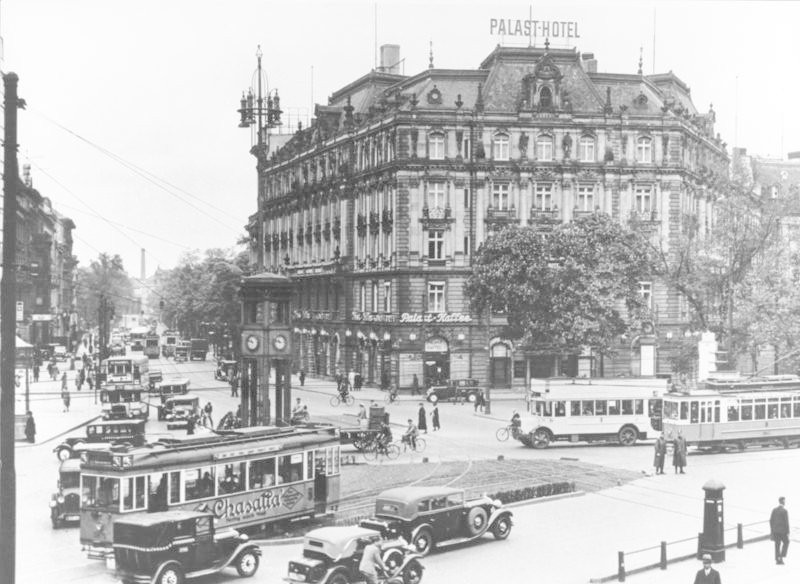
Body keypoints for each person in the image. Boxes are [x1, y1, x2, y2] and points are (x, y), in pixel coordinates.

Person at [770, 496, 790, 565]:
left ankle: (777, 559)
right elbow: (786, 522)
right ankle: (781, 556)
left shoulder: (774, 510)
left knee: (777, 545)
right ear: (783, 502)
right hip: (783, 532)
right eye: (784, 501)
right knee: (786, 542)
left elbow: (771, 520)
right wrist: (788, 531)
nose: (785, 502)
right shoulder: (784, 511)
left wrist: (772, 529)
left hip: (775, 531)